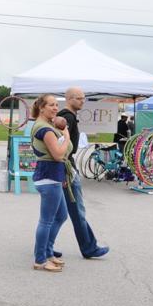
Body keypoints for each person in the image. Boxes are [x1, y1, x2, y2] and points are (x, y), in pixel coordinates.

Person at [58, 87, 110, 259]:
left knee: (56, 213)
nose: (83, 101)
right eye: (79, 98)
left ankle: (45, 246)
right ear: (70, 99)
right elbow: (59, 146)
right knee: (76, 211)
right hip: (66, 169)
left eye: (84, 98)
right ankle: (89, 247)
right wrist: (64, 172)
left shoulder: (67, 117)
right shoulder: (68, 117)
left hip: (65, 168)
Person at [29, 95, 70, 271]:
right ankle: (40, 259)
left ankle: (48, 251)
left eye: (56, 105)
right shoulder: (44, 129)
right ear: (42, 108)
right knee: (46, 221)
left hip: (53, 176)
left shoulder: (47, 126)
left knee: (61, 215)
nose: (55, 108)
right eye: (51, 105)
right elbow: (58, 155)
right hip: (48, 176)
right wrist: (66, 135)